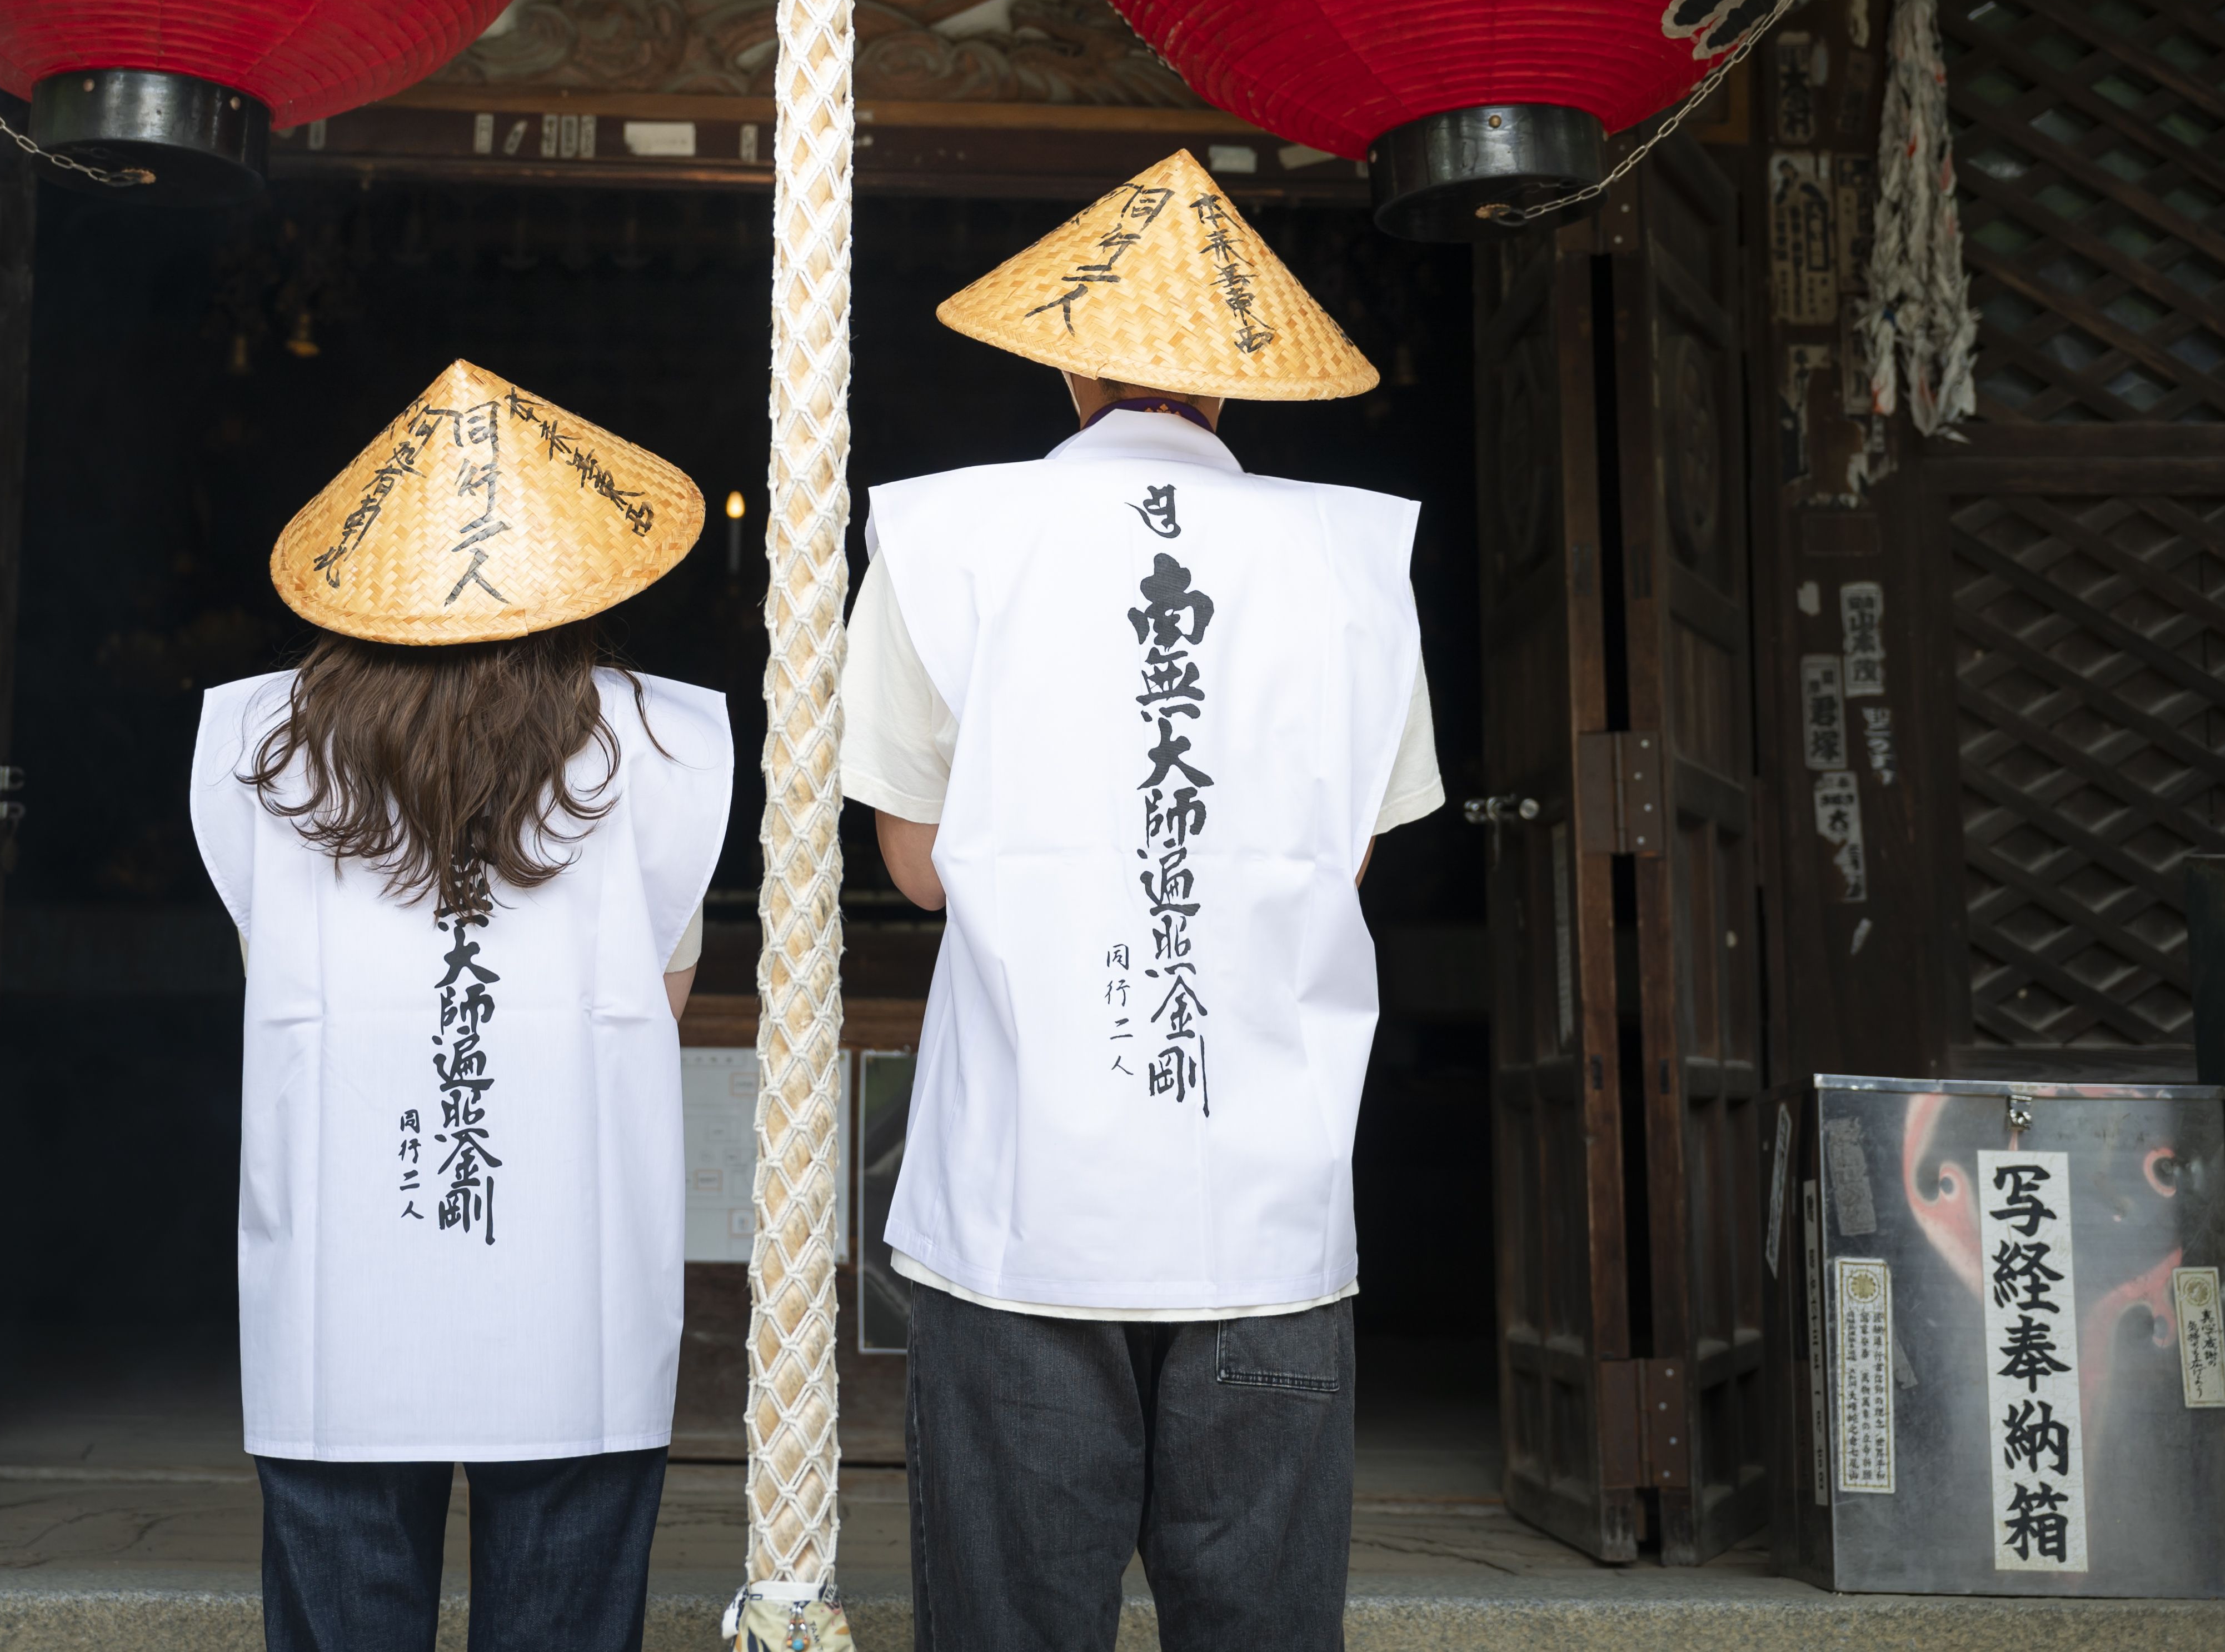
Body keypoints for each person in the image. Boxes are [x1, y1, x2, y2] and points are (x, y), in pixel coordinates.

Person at [843, 151, 1440, 1652]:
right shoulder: (1357, 564)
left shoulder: (943, 537)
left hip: (1021, 1197)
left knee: (1012, 1624)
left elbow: (916, 866)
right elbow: (1347, 863)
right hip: (1267, 1208)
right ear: (1235, 386)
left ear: (1064, 365)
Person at [189, 358, 733, 1652]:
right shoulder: (660, 748)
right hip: (573, 1291)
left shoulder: (261, 742)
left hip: (342, 1290)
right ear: (576, 574)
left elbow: (269, 974)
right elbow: (658, 999)